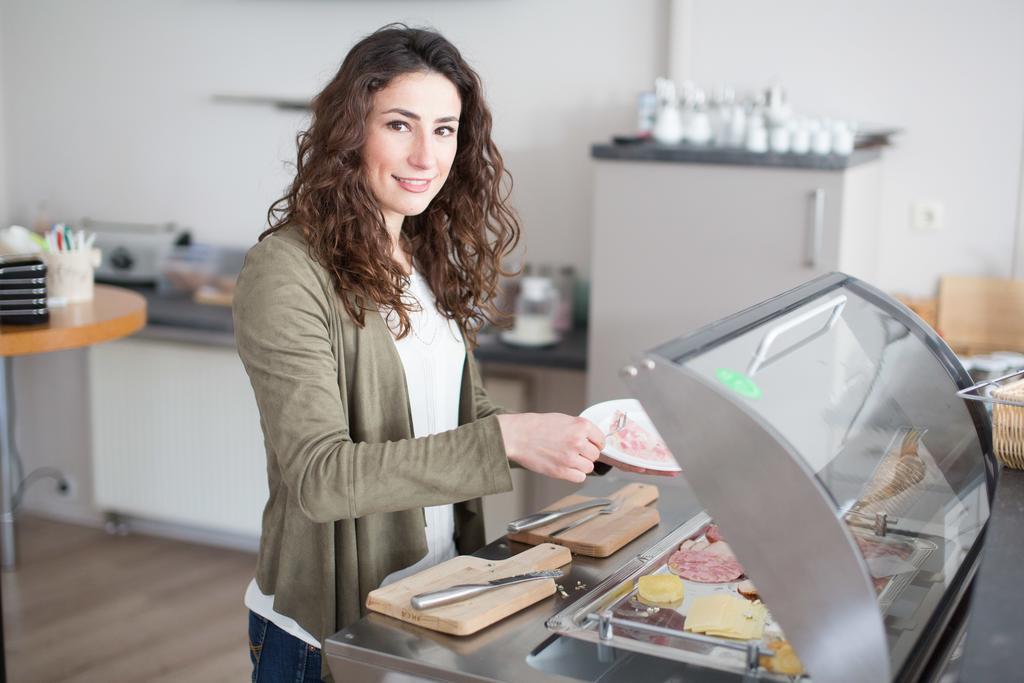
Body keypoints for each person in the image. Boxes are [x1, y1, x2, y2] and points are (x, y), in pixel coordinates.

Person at [234, 24, 656, 683]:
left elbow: (456, 405)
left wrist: (577, 438)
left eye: (445, 129)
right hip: (326, 634)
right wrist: (511, 439)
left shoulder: (422, 253)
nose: (425, 155)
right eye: (400, 124)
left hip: (432, 598)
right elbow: (321, 477)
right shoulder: (285, 271)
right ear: (349, 132)